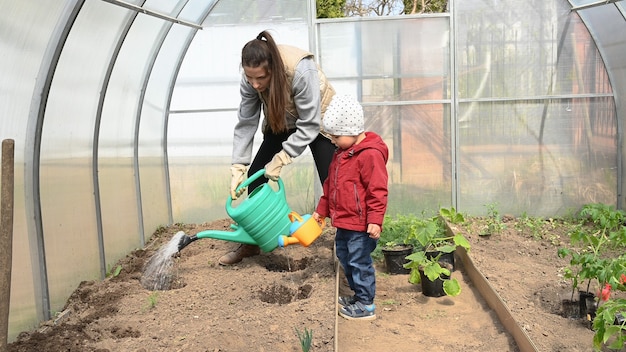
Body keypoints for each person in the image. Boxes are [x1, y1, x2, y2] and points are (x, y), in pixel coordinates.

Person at [220, 30, 336, 265]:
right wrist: (238, 165)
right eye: (250, 78)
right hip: (281, 117)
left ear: (272, 68)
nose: (255, 84)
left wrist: (283, 157)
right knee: (255, 176)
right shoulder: (251, 79)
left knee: (332, 180)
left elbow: (310, 123)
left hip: (317, 119)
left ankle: (343, 244)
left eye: (261, 78)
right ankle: (253, 244)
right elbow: (247, 121)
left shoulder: (301, 69)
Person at [312, 95, 389, 321]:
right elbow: (330, 186)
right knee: (346, 259)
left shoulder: (370, 155)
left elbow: (378, 190)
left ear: (352, 130)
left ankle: (366, 304)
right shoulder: (341, 154)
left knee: (359, 262)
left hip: (361, 225)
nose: (333, 141)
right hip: (345, 222)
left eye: (336, 136)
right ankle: (358, 295)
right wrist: (322, 210)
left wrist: (375, 219)